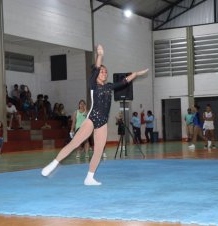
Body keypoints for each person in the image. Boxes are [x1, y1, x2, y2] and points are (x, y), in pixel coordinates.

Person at [41, 44, 148, 185]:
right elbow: (97, 67)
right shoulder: (93, 84)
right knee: (75, 143)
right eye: (102, 71)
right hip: (92, 119)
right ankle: (54, 163)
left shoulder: (109, 86)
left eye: (106, 72)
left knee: (98, 150)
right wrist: (100, 55)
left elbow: (124, 82)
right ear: (97, 74)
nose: (104, 73)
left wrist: (136, 74)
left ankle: (89, 177)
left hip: (102, 122)